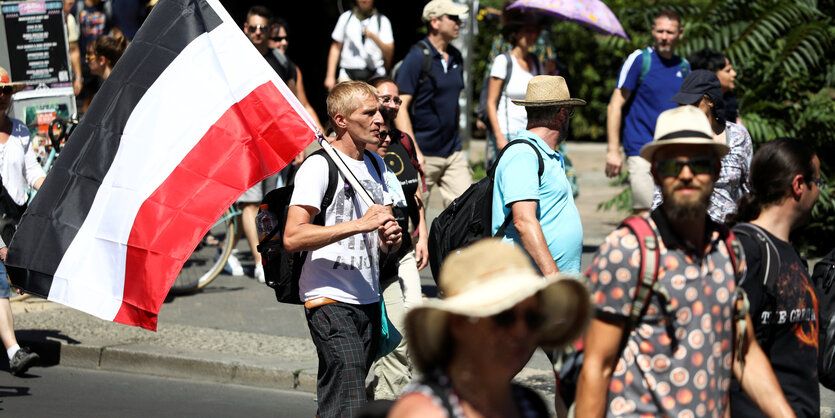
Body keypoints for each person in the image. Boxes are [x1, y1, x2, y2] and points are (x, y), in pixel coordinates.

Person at [576, 106, 795, 417]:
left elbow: (742, 351)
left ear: (718, 171)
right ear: (654, 173)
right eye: (672, 165)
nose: (687, 174)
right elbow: (596, 368)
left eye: (700, 163)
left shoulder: (729, 249)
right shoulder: (628, 250)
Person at [283, 81, 402, 418]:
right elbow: (293, 236)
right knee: (349, 388)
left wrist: (387, 238)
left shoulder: (378, 165)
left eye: (380, 111)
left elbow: (378, 233)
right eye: (370, 112)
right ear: (341, 120)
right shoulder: (319, 166)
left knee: (343, 394)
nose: (381, 119)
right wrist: (358, 224)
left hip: (367, 296)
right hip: (327, 295)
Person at [388, 238, 591, 417]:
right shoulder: (426, 411)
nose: (521, 332)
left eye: (532, 318)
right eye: (504, 317)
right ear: (459, 324)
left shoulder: (528, 403)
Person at [728, 138, 822, 417]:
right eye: (818, 182)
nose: (819, 192)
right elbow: (736, 350)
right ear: (798, 185)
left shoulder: (787, 251)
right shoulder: (748, 250)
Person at [366, 76, 429, 400]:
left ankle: (397, 394)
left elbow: (416, 198)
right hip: (372, 261)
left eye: (388, 131)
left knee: (406, 326)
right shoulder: (358, 166)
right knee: (379, 337)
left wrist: (423, 238)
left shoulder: (398, 149)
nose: (385, 135)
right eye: (379, 131)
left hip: (400, 253)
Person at [228, 5, 301, 282]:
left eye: (263, 28)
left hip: (273, 142)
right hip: (244, 140)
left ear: (270, 31)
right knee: (250, 202)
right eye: (253, 28)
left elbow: (292, 103)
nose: (257, 33)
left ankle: (228, 253)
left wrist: (298, 143)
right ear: (245, 28)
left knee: (266, 204)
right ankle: (261, 261)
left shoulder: (280, 61)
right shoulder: (234, 58)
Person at [492, 75, 584, 276]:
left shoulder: (544, 154)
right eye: (570, 112)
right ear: (562, 113)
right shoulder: (523, 155)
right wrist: (554, 277)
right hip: (531, 285)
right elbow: (523, 221)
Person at [605, 10, 689, 216]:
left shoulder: (684, 67)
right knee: (644, 211)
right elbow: (615, 105)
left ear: (680, 33)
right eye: (660, 31)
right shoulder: (640, 60)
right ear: (653, 31)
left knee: (674, 212)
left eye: (669, 32)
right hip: (641, 150)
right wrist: (613, 151)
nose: (664, 37)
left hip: (672, 152)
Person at [394, 0, 469, 210]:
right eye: (453, 18)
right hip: (423, 154)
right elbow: (400, 106)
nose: (459, 23)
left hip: (453, 153)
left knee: (467, 213)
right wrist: (414, 151)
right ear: (435, 22)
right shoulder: (417, 56)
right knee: (414, 226)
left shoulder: (456, 57)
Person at [652, 70, 752, 223]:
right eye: (682, 103)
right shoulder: (676, 134)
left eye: (693, 102)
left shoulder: (738, 136)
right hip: (682, 224)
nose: (687, 108)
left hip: (728, 228)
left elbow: (749, 187)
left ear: (710, 101)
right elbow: (660, 188)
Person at [0, 68, 44, 376]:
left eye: (7, 91)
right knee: (0, 286)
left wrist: (54, 186)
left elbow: (33, 174)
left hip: (10, 222)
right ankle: (14, 351)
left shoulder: (20, 131)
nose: (3, 96)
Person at [486, 12, 541, 158]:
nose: (533, 35)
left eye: (535, 31)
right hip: (508, 133)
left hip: (531, 134)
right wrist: (499, 136)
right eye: (528, 31)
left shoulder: (536, 62)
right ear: (515, 34)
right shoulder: (503, 61)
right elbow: (491, 103)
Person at [269, 18, 325, 134]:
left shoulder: (292, 69)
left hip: (292, 127)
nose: (284, 43)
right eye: (277, 39)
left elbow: (305, 106)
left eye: (286, 38)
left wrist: (320, 132)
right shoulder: (260, 68)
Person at [324, 0, 393, 89]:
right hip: (348, 76)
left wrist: (374, 37)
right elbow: (336, 47)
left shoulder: (383, 21)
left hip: (375, 76)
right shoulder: (345, 17)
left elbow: (389, 53)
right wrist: (330, 76)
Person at [75, 0, 112, 113]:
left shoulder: (106, 6)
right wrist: (78, 76)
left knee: (106, 99)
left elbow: (113, 30)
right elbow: (74, 42)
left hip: (104, 61)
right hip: (86, 61)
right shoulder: (80, 6)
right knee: (87, 103)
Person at [688, 48, 740, 123]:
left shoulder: (730, 100)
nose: (734, 73)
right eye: (728, 71)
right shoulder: (698, 105)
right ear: (711, 74)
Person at [64, 0, 83, 96]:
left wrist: (78, 78)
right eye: (70, 4)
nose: (72, 6)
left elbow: (74, 50)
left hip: (65, 77)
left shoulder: (69, 19)